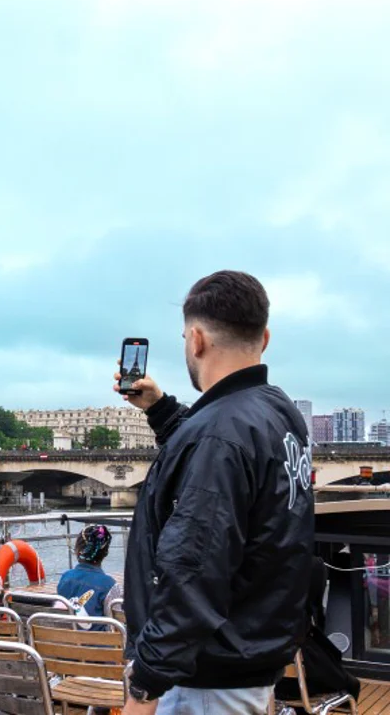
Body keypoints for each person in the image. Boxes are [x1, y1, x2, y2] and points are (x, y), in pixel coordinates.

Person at [113, 271, 315, 715]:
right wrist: (162, 409)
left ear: (197, 339)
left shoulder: (217, 437)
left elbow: (192, 576)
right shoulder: (278, 414)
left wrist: (143, 689)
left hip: (199, 682)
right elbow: (225, 460)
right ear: (264, 338)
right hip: (250, 659)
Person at [57, 524, 116, 619]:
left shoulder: (65, 577)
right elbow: (115, 623)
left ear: (77, 550)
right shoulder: (109, 584)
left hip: (65, 632)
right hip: (97, 634)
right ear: (105, 553)